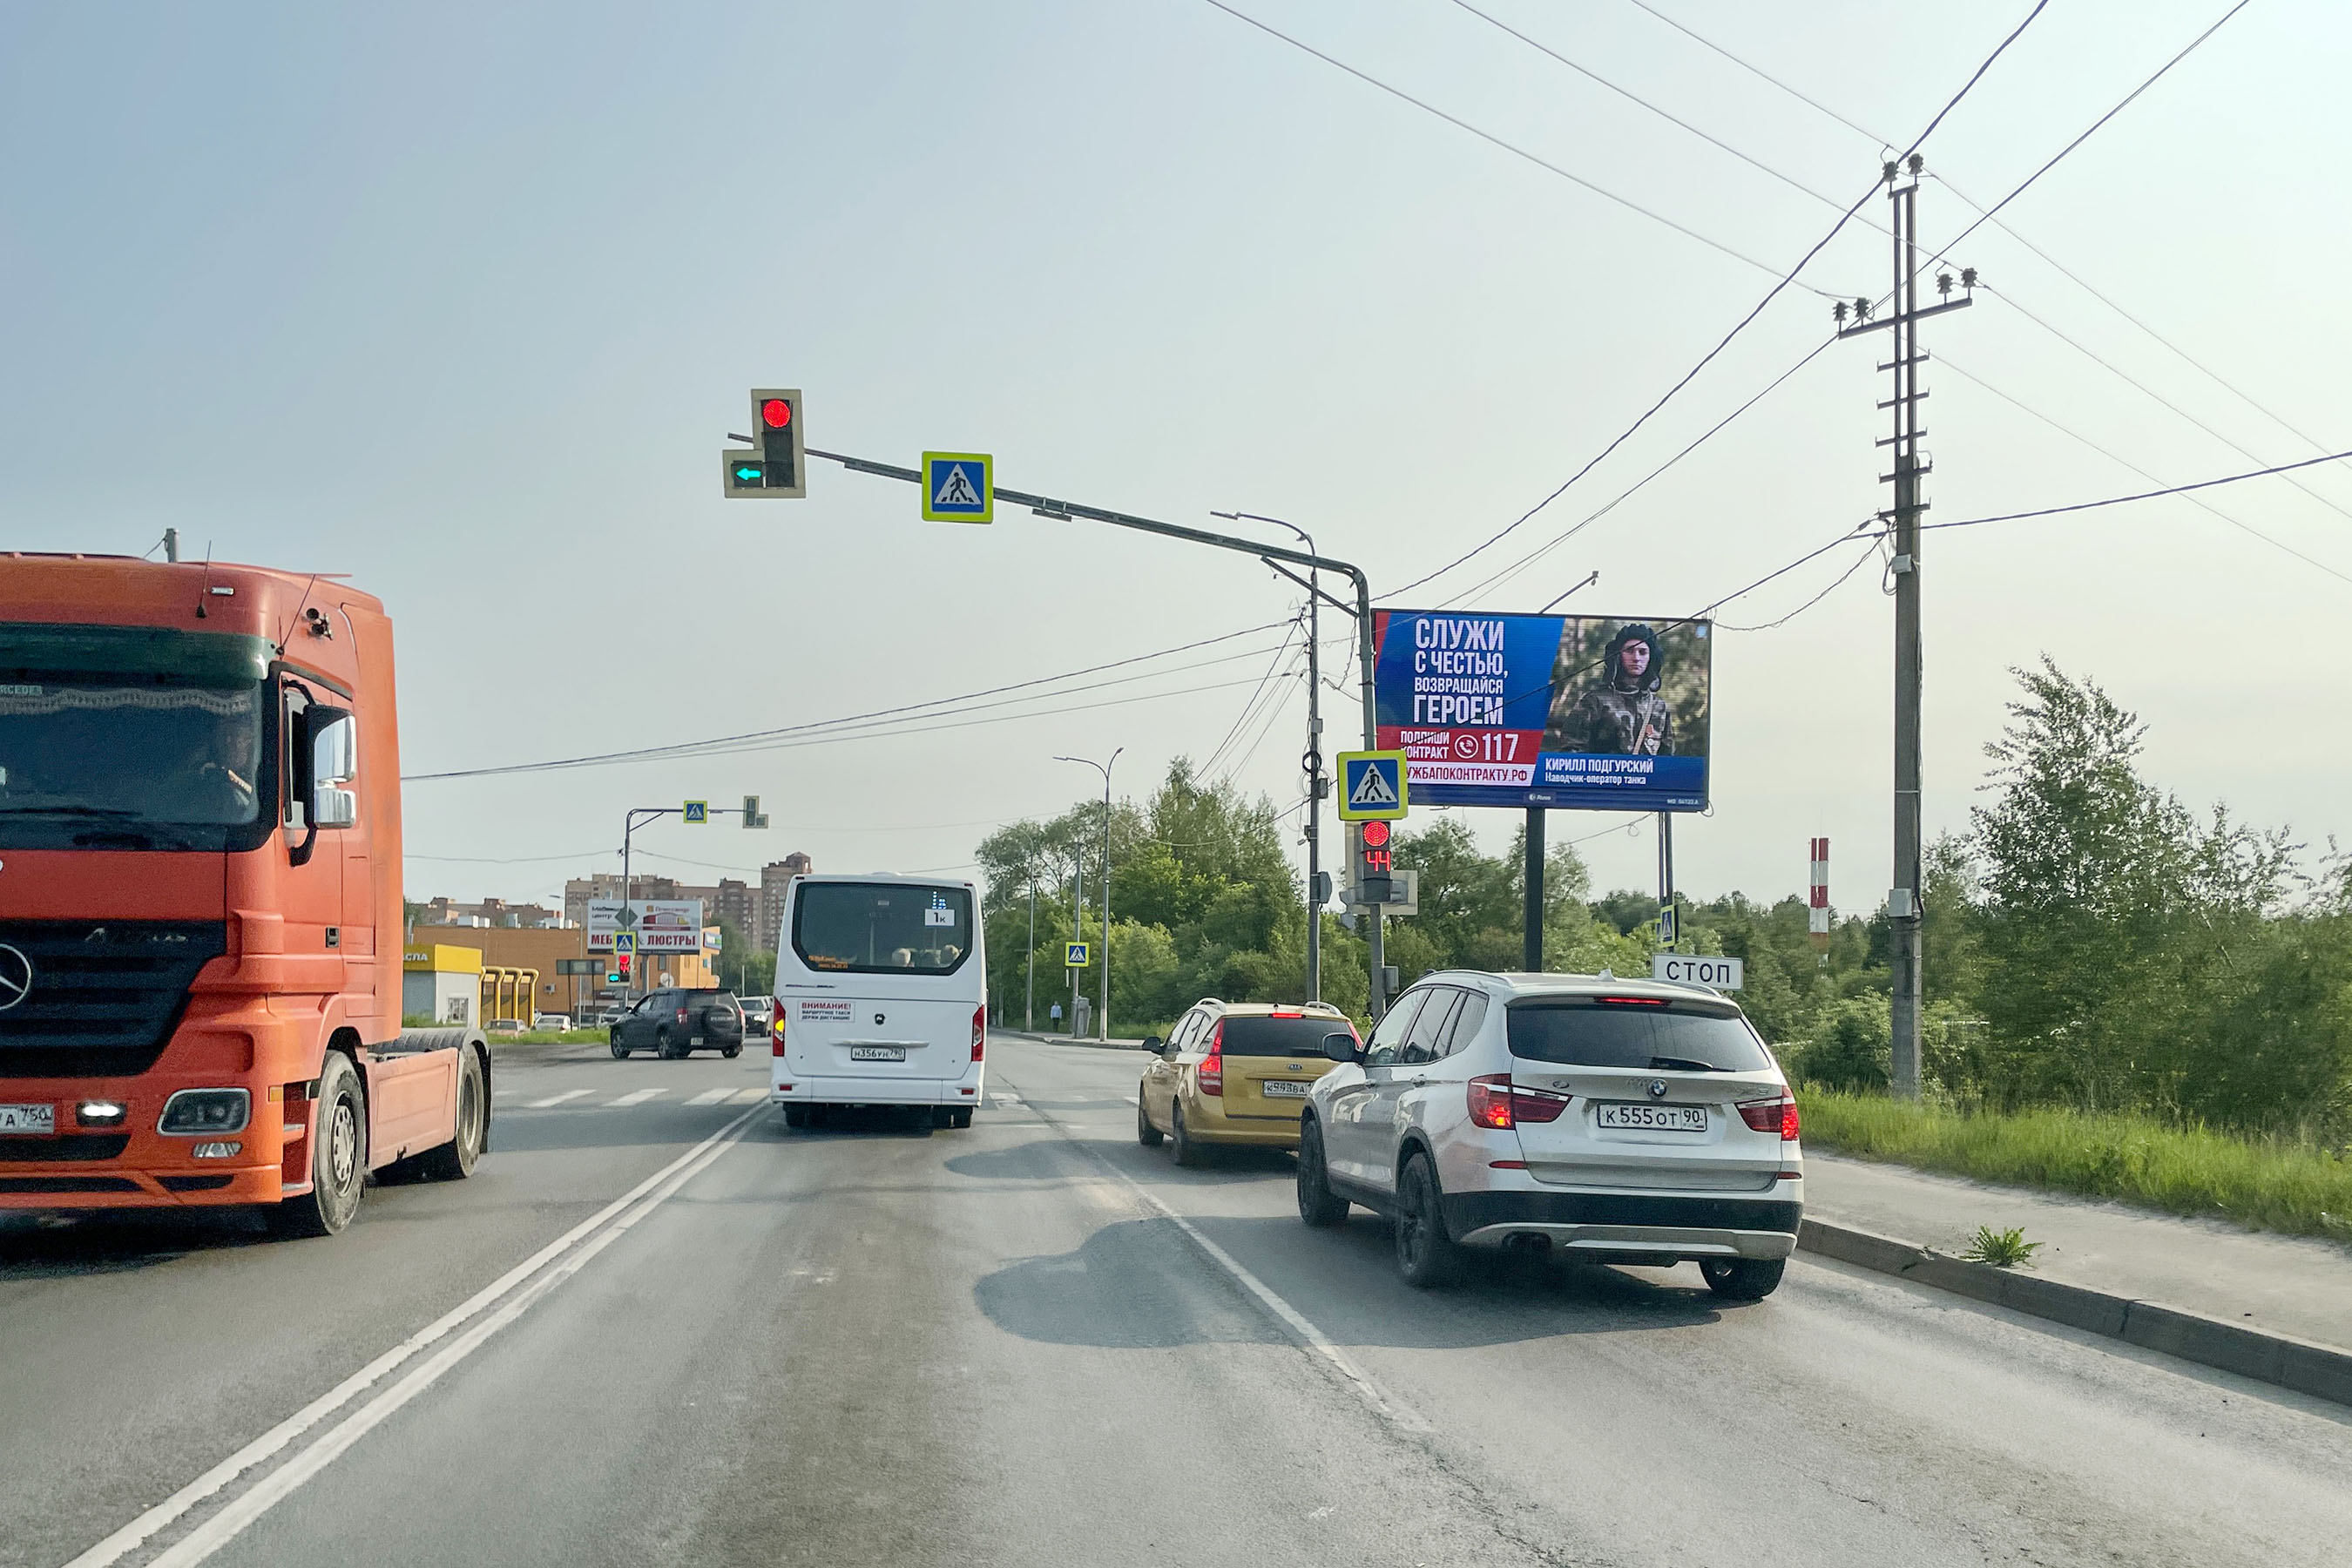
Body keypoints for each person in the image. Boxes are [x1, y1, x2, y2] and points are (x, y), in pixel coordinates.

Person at [1556, 623, 1672, 755]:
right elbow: (1570, 752)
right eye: (1629, 651)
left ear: (1651, 658)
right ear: (1618, 655)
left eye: (1643, 652)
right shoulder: (1594, 702)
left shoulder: (1659, 707)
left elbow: (1668, 759)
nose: (1636, 658)